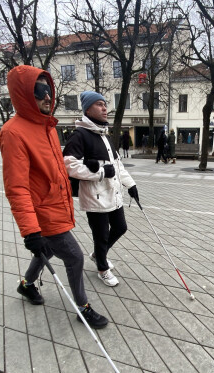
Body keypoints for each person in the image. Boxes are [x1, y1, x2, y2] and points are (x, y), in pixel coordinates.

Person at [0, 65, 108, 329]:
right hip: (42, 213)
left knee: (46, 249)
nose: (47, 97)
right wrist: (30, 231)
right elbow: (17, 187)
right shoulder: (14, 132)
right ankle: (82, 308)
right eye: (39, 92)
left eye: (48, 90)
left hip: (56, 205)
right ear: (24, 95)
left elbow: (54, 168)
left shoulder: (46, 126)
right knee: (74, 257)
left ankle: (26, 285)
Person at [62, 91, 139, 287]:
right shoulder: (79, 135)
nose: (104, 108)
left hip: (113, 195)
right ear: (88, 109)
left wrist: (131, 185)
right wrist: (100, 172)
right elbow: (68, 165)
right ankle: (102, 269)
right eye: (99, 104)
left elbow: (117, 165)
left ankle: (98, 254)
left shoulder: (104, 134)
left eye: (105, 104)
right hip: (95, 198)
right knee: (101, 235)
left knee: (120, 227)